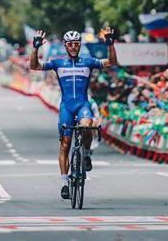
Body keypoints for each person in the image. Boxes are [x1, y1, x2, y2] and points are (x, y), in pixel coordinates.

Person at [30, 27, 117, 200]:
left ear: (79, 45)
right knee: (65, 144)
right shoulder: (58, 63)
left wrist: (110, 43)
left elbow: (110, 62)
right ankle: (64, 183)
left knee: (87, 127)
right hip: (66, 108)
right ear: (65, 45)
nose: (73, 47)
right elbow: (34, 66)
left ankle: (85, 154)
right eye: (70, 44)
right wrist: (36, 48)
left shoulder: (88, 61)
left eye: (76, 44)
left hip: (82, 105)